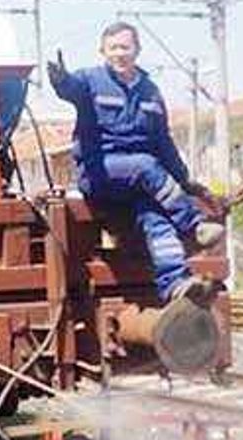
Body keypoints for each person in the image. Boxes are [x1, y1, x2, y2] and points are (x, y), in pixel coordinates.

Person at [48, 21, 224, 303]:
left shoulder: (150, 92)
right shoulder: (90, 80)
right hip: (100, 172)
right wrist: (61, 81)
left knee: (156, 218)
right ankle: (194, 225)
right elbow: (71, 88)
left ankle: (174, 283)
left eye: (125, 47)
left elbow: (163, 142)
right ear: (103, 51)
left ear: (137, 50)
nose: (120, 53)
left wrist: (185, 180)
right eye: (113, 48)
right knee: (144, 165)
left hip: (140, 182)